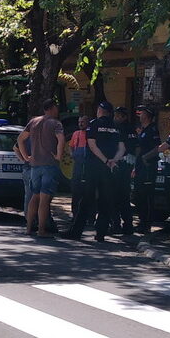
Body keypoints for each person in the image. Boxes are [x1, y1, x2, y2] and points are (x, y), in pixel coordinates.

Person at [63, 101, 124, 242]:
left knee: (85, 201)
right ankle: (101, 234)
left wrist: (105, 160)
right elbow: (122, 148)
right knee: (105, 201)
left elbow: (92, 144)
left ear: (101, 110)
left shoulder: (94, 124)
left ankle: (76, 232)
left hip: (94, 168)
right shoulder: (116, 126)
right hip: (109, 170)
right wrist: (113, 160)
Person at [17, 100, 66, 238]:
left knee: (34, 196)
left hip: (34, 165)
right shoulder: (55, 123)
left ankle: (28, 228)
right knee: (44, 199)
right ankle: (41, 230)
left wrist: (26, 157)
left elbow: (20, 139)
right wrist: (59, 156)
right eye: (56, 107)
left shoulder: (34, 122)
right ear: (52, 108)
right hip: (49, 164)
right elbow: (61, 139)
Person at [132, 106, 162, 232]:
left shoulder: (153, 130)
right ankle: (142, 221)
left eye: (142, 112)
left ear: (147, 115)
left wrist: (146, 158)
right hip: (140, 166)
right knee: (138, 195)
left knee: (147, 195)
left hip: (149, 167)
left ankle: (146, 224)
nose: (139, 114)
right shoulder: (143, 130)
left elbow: (157, 147)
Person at [111, 106, 135, 234]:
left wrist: (112, 161)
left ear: (124, 117)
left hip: (120, 164)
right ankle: (128, 225)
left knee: (115, 196)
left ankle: (116, 225)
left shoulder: (120, 129)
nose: (116, 118)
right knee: (125, 198)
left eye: (118, 116)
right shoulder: (132, 129)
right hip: (129, 165)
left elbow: (121, 148)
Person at [68, 115, 90, 217]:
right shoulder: (76, 134)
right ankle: (75, 215)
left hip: (88, 167)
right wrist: (72, 154)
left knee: (88, 193)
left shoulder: (91, 134)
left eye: (83, 122)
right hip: (77, 166)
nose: (80, 124)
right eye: (79, 122)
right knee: (75, 192)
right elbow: (71, 147)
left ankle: (89, 217)